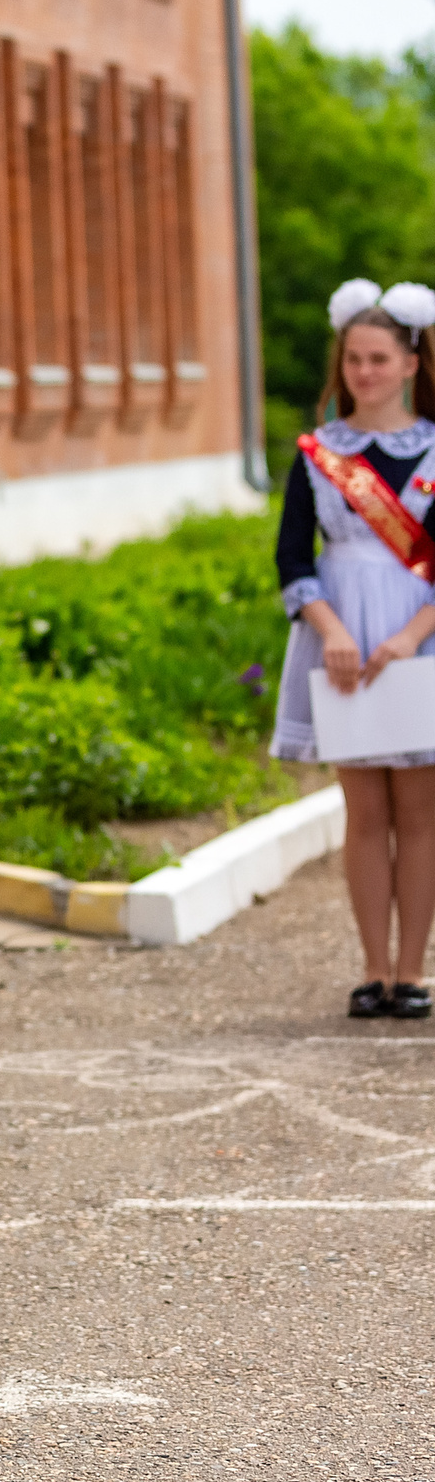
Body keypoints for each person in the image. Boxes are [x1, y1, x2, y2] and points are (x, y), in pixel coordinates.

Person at [272, 279, 435, 1021]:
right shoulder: (317, 454)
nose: (363, 372)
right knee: (363, 812)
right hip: (339, 646)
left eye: (378, 358)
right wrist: (331, 630)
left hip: (419, 642)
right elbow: (291, 559)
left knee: (422, 815)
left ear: (409, 362)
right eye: (353, 360)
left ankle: (414, 972)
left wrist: (408, 636)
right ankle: (373, 969)